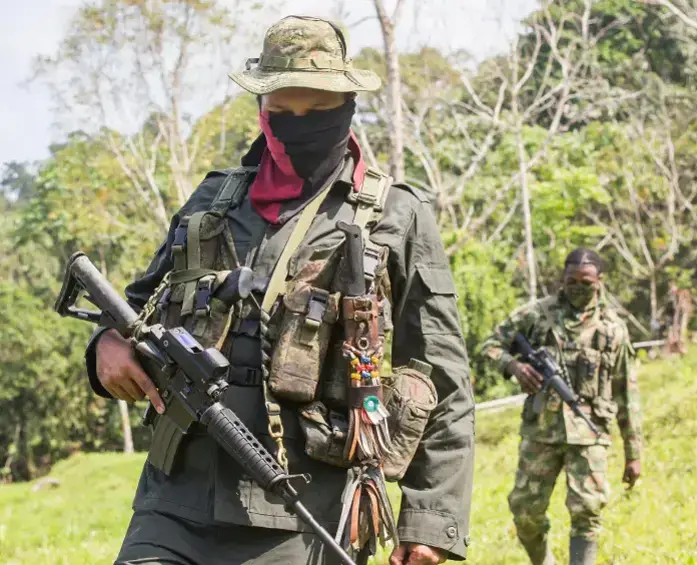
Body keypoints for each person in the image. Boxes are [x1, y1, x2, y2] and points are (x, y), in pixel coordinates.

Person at [86, 15, 474, 565]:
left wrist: (430, 520)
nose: (299, 126)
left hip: (306, 513)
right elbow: (133, 306)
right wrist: (105, 344)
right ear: (261, 110)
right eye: (283, 112)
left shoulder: (396, 215)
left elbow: (442, 373)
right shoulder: (213, 200)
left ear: (348, 107)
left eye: (318, 111)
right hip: (174, 501)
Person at [480, 249, 642, 565]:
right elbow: (490, 345)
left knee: (587, 511)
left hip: (590, 432)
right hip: (541, 429)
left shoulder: (613, 329)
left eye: (586, 282)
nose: (578, 288)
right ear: (562, 279)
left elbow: (627, 393)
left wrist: (634, 453)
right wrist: (514, 366)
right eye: (571, 281)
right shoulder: (536, 315)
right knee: (525, 510)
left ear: (600, 281)